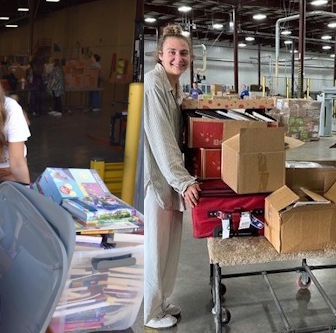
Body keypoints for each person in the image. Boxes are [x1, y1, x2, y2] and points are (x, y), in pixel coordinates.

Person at [132, 24, 201, 329]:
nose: (178, 58)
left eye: (183, 53)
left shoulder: (174, 86)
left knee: (170, 246)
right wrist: (183, 181)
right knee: (156, 248)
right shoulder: (154, 84)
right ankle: (150, 313)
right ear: (160, 54)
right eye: (172, 52)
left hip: (169, 178)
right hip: (158, 179)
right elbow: (160, 138)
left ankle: (161, 302)